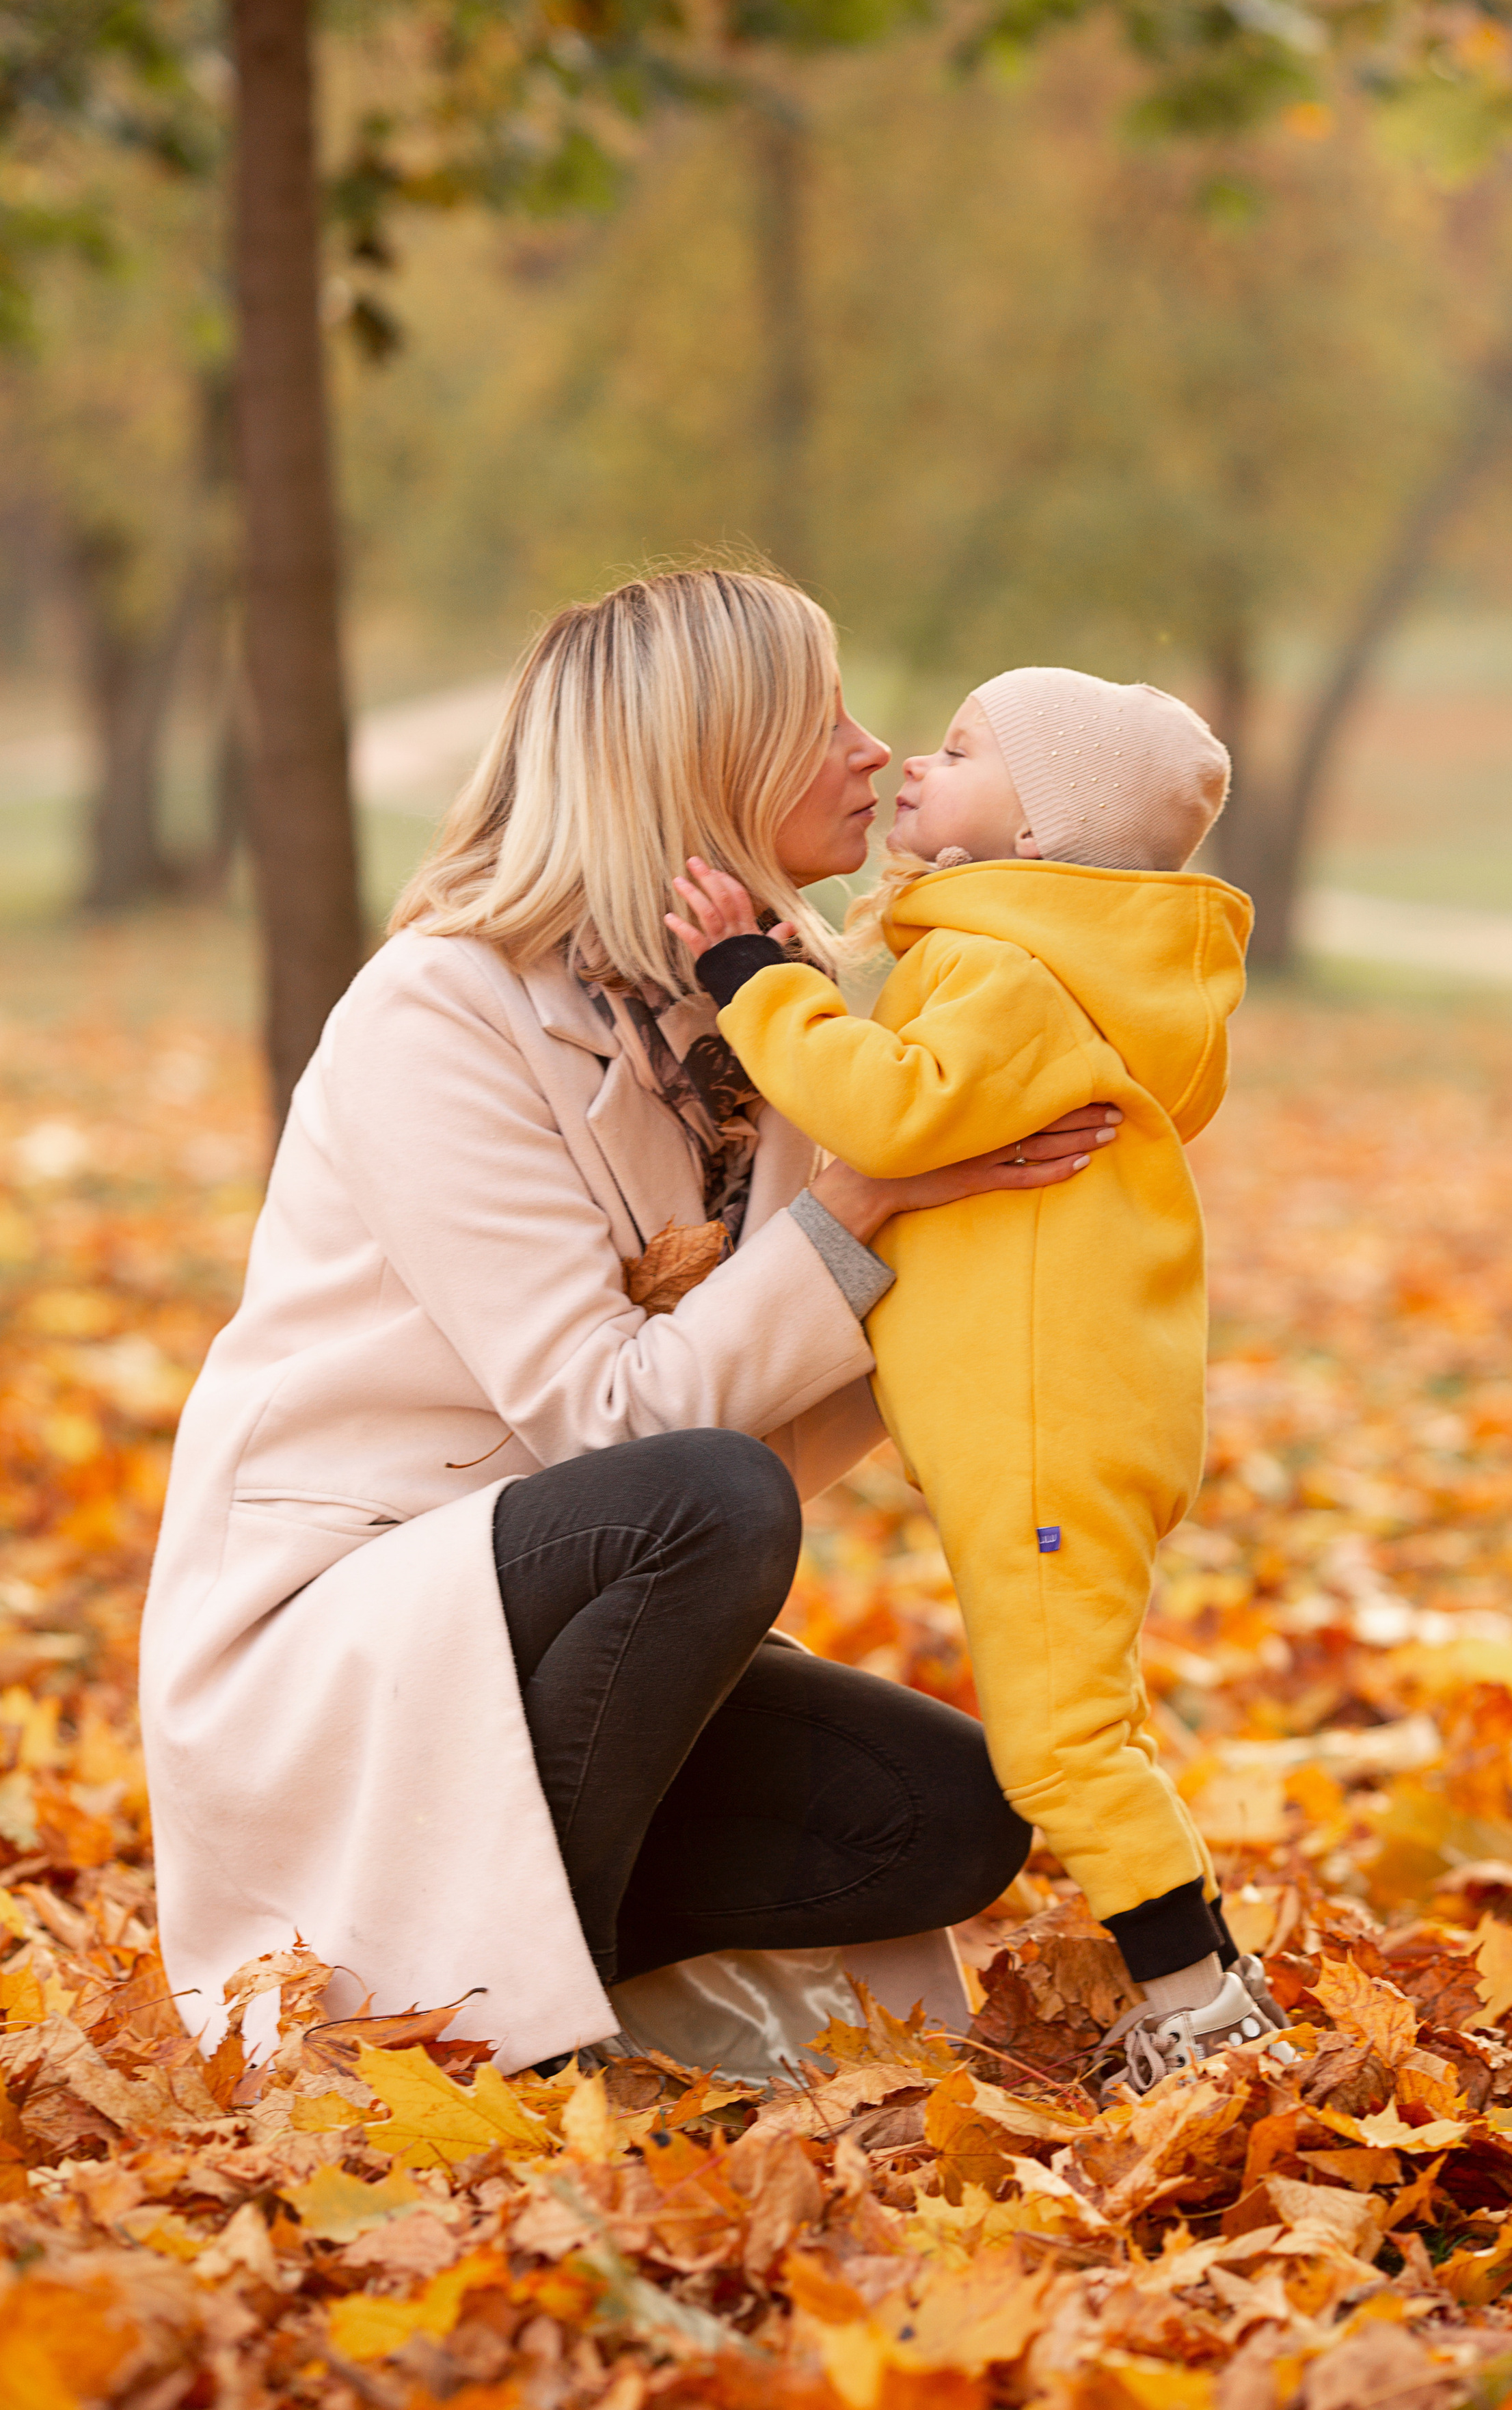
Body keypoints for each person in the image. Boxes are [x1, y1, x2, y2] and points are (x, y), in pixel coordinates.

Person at [139, 574, 1119, 2076]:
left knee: (946, 1815)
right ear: (702, 759)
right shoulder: (438, 1010)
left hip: (566, 1601)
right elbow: (611, 1429)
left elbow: (766, 1420)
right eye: (821, 722)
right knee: (704, 1501)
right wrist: (858, 1208)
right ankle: (515, 2028)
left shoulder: (768, 1014)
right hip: (348, 1619)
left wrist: (991, 1220)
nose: (874, 752)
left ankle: (508, 1962)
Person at [666, 667, 1293, 2090]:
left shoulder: (1010, 970)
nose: (910, 771)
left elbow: (885, 1111)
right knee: (1089, 1711)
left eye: (954, 753)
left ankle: (1195, 2004)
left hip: (1043, 1434)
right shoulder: (1035, 957)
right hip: (1065, 1419)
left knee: (1057, 1740)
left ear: (1038, 832)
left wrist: (749, 984)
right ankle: (1202, 1970)